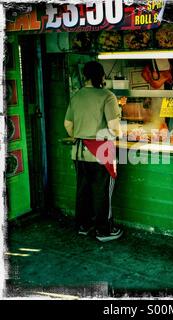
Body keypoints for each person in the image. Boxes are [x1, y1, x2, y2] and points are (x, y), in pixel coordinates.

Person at [64, 61, 123, 242]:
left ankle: (83, 226)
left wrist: (80, 135)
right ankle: (104, 231)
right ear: (102, 77)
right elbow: (114, 129)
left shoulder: (77, 96)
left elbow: (68, 124)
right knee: (102, 192)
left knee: (83, 190)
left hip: (79, 152)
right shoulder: (108, 96)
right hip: (100, 152)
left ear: (85, 77)